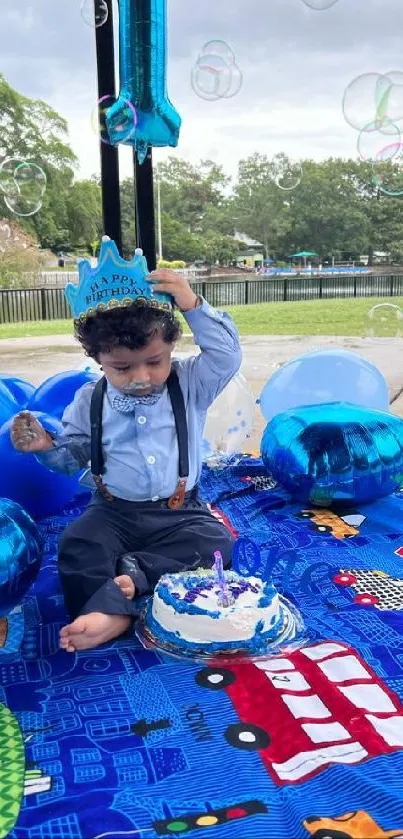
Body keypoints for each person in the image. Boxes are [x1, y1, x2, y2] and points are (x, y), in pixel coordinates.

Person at [11, 268, 241, 652]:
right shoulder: (89, 400)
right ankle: (109, 612)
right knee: (77, 543)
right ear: (97, 358)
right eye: (122, 367)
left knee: (215, 541)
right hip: (113, 512)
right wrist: (47, 447)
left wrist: (192, 305)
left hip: (180, 511)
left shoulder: (191, 383)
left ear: (171, 346)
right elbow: (76, 455)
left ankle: (136, 574)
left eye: (155, 361)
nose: (142, 377)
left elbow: (226, 355)